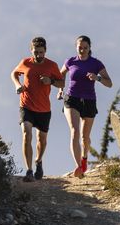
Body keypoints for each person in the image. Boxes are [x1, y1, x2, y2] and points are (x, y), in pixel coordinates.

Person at [57, 35, 113, 178]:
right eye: (79, 47)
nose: (82, 50)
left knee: (85, 137)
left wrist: (97, 78)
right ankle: (78, 166)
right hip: (72, 99)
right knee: (75, 132)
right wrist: (60, 89)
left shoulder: (96, 63)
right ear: (76, 47)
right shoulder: (70, 61)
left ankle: (84, 158)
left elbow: (109, 83)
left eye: (85, 48)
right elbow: (61, 75)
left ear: (89, 48)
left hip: (89, 101)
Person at [11, 36, 63, 182]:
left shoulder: (51, 66)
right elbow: (14, 73)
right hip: (26, 106)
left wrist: (50, 81)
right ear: (31, 50)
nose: (38, 55)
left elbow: (61, 83)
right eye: (36, 52)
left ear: (45, 51)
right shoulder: (25, 62)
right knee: (27, 135)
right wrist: (17, 84)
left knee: (42, 140)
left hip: (44, 109)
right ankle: (28, 171)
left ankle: (38, 161)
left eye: (41, 52)